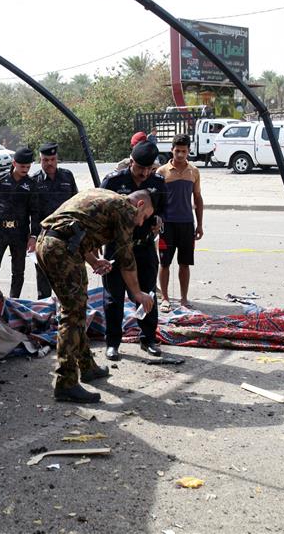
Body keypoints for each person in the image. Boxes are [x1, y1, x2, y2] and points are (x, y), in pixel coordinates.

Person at [35, 189, 155, 403]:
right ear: (140, 205)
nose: (140, 223)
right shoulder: (125, 209)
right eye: (144, 217)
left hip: (50, 244)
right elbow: (127, 257)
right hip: (61, 250)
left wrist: (93, 261)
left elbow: (73, 229)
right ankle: (66, 382)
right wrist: (137, 293)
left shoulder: (103, 196)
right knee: (72, 314)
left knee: (77, 308)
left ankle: (87, 366)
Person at [100, 140, 166, 361]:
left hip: (144, 247)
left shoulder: (158, 182)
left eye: (149, 169)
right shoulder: (113, 181)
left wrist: (158, 220)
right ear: (131, 161)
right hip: (117, 248)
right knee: (113, 298)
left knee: (147, 295)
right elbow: (100, 212)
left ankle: (148, 339)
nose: (145, 174)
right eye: (140, 168)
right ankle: (113, 343)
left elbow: (165, 210)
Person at [157, 134, 203, 312]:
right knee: (165, 263)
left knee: (185, 263)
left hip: (186, 224)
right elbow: (155, 200)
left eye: (184, 151)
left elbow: (198, 198)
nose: (181, 155)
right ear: (172, 150)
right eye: (177, 151)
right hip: (167, 225)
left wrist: (199, 224)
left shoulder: (194, 171)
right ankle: (166, 299)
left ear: (189, 151)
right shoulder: (161, 172)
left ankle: (184, 299)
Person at [0, 147, 37, 298]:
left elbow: (34, 212)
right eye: (22, 166)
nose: (25, 170)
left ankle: (14, 300)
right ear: (14, 163)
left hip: (19, 233)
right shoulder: (1, 179)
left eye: (28, 167)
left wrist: (33, 235)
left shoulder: (31, 184)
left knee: (18, 271)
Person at [30, 142, 79, 299]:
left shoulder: (67, 176)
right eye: (46, 160)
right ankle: (44, 316)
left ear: (57, 158)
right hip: (43, 236)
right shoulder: (34, 181)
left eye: (52, 159)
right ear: (40, 160)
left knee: (66, 278)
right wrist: (31, 236)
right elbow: (31, 212)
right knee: (44, 279)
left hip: (67, 235)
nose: (49, 163)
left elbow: (76, 203)